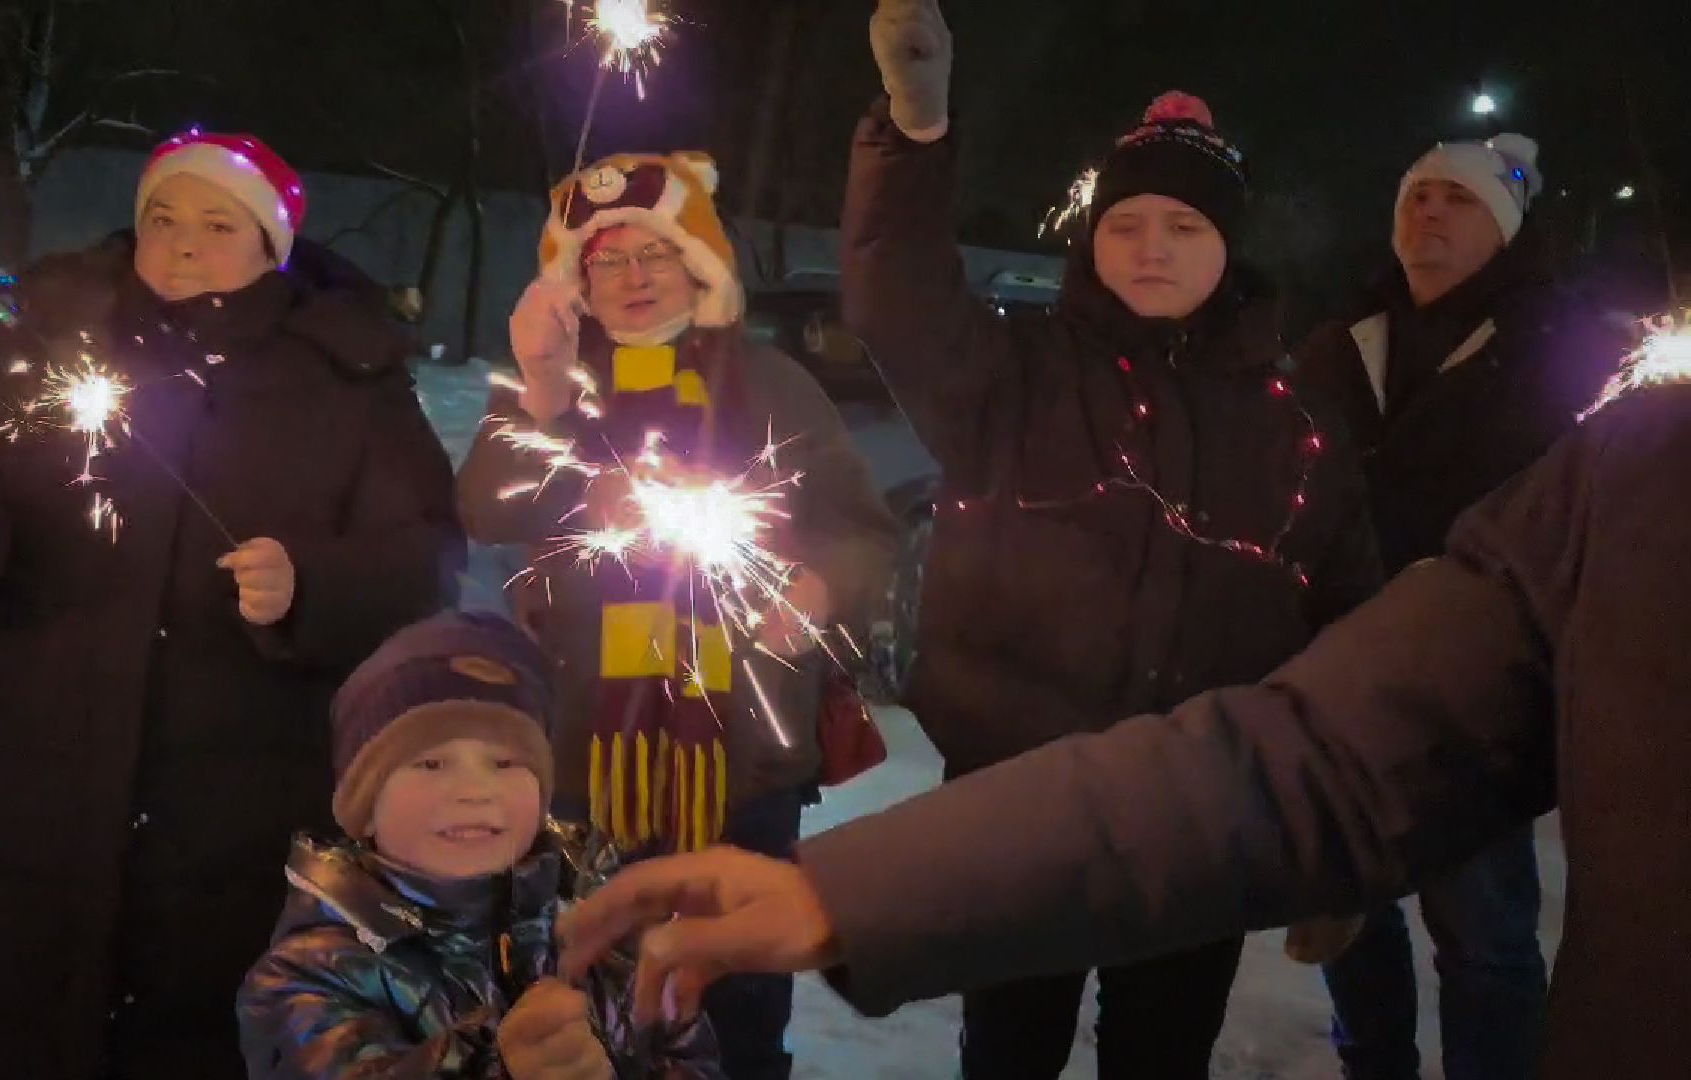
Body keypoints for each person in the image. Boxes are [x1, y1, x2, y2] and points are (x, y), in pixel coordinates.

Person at [556, 369, 1691, 1080]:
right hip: (1061, 806)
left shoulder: (1288, 424)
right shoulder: (1643, 482)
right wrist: (853, 889)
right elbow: (1320, 760)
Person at [851, 2, 1381, 1073]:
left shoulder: (1297, 431)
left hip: (1201, 824)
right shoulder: (1016, 375)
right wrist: (912, 133)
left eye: (1186, 227)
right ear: (1092, 236)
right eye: (1128, 222)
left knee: (1161, 1056)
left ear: (1230, 250)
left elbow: (1355, 651)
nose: (1152, 247)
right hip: (1022, 806)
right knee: (1009, 1048)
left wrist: (1343, 862)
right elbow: (895, 298)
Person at [0, 132, 464, 1078]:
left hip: (237, 824)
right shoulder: (50, 354)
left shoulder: (350, 383)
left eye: (218, 223)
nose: (183, 243)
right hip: (22, 815)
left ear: (272, 245)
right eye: (161, 219)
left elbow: (426, 565)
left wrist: (314, 587)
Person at [456, 151, 896, 1079]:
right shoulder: (554, 387)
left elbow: (861, 530)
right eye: (605, 261)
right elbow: (485, 509)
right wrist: (536, 389)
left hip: (742, 760)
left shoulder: (772, 386)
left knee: (735, 1002)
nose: (633, 277)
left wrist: (815, 588)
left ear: (698, 263)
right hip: (584, 755)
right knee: (588, 992)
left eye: (653, 254)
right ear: (575, 283)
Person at [1293, 132, 1628, 1079]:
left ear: (1507, 228)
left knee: (1482, 934)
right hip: (1342, 672)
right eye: (1418, 195)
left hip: (1477, 687)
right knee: (1349, 917)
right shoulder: (1338, 341)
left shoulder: (1562, 351)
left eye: (1459, 199)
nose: (1430, 211)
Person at [237, 611, 719, 1079]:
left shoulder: (616, 932)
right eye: (431, 764)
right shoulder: (309, 977)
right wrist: (500, 1065)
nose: (473, 791)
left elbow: (689, 1056)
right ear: (365, 803)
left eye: (505, 763)